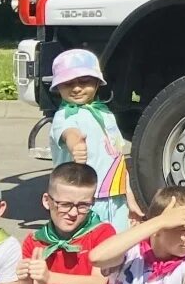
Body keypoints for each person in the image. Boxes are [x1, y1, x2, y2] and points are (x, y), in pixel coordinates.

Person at [47, 48, 136, 230]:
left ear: (97, 83)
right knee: (88, 247)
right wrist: (75, 145)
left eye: (84, 81)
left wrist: (129, 195)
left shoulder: (104, 113)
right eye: (68, 83)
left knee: (118, 246)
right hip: (83, 199)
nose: (77, 88)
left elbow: (117, 156)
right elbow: (67, 132)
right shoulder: (64, 115)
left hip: (115, 195)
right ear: (58, 88)